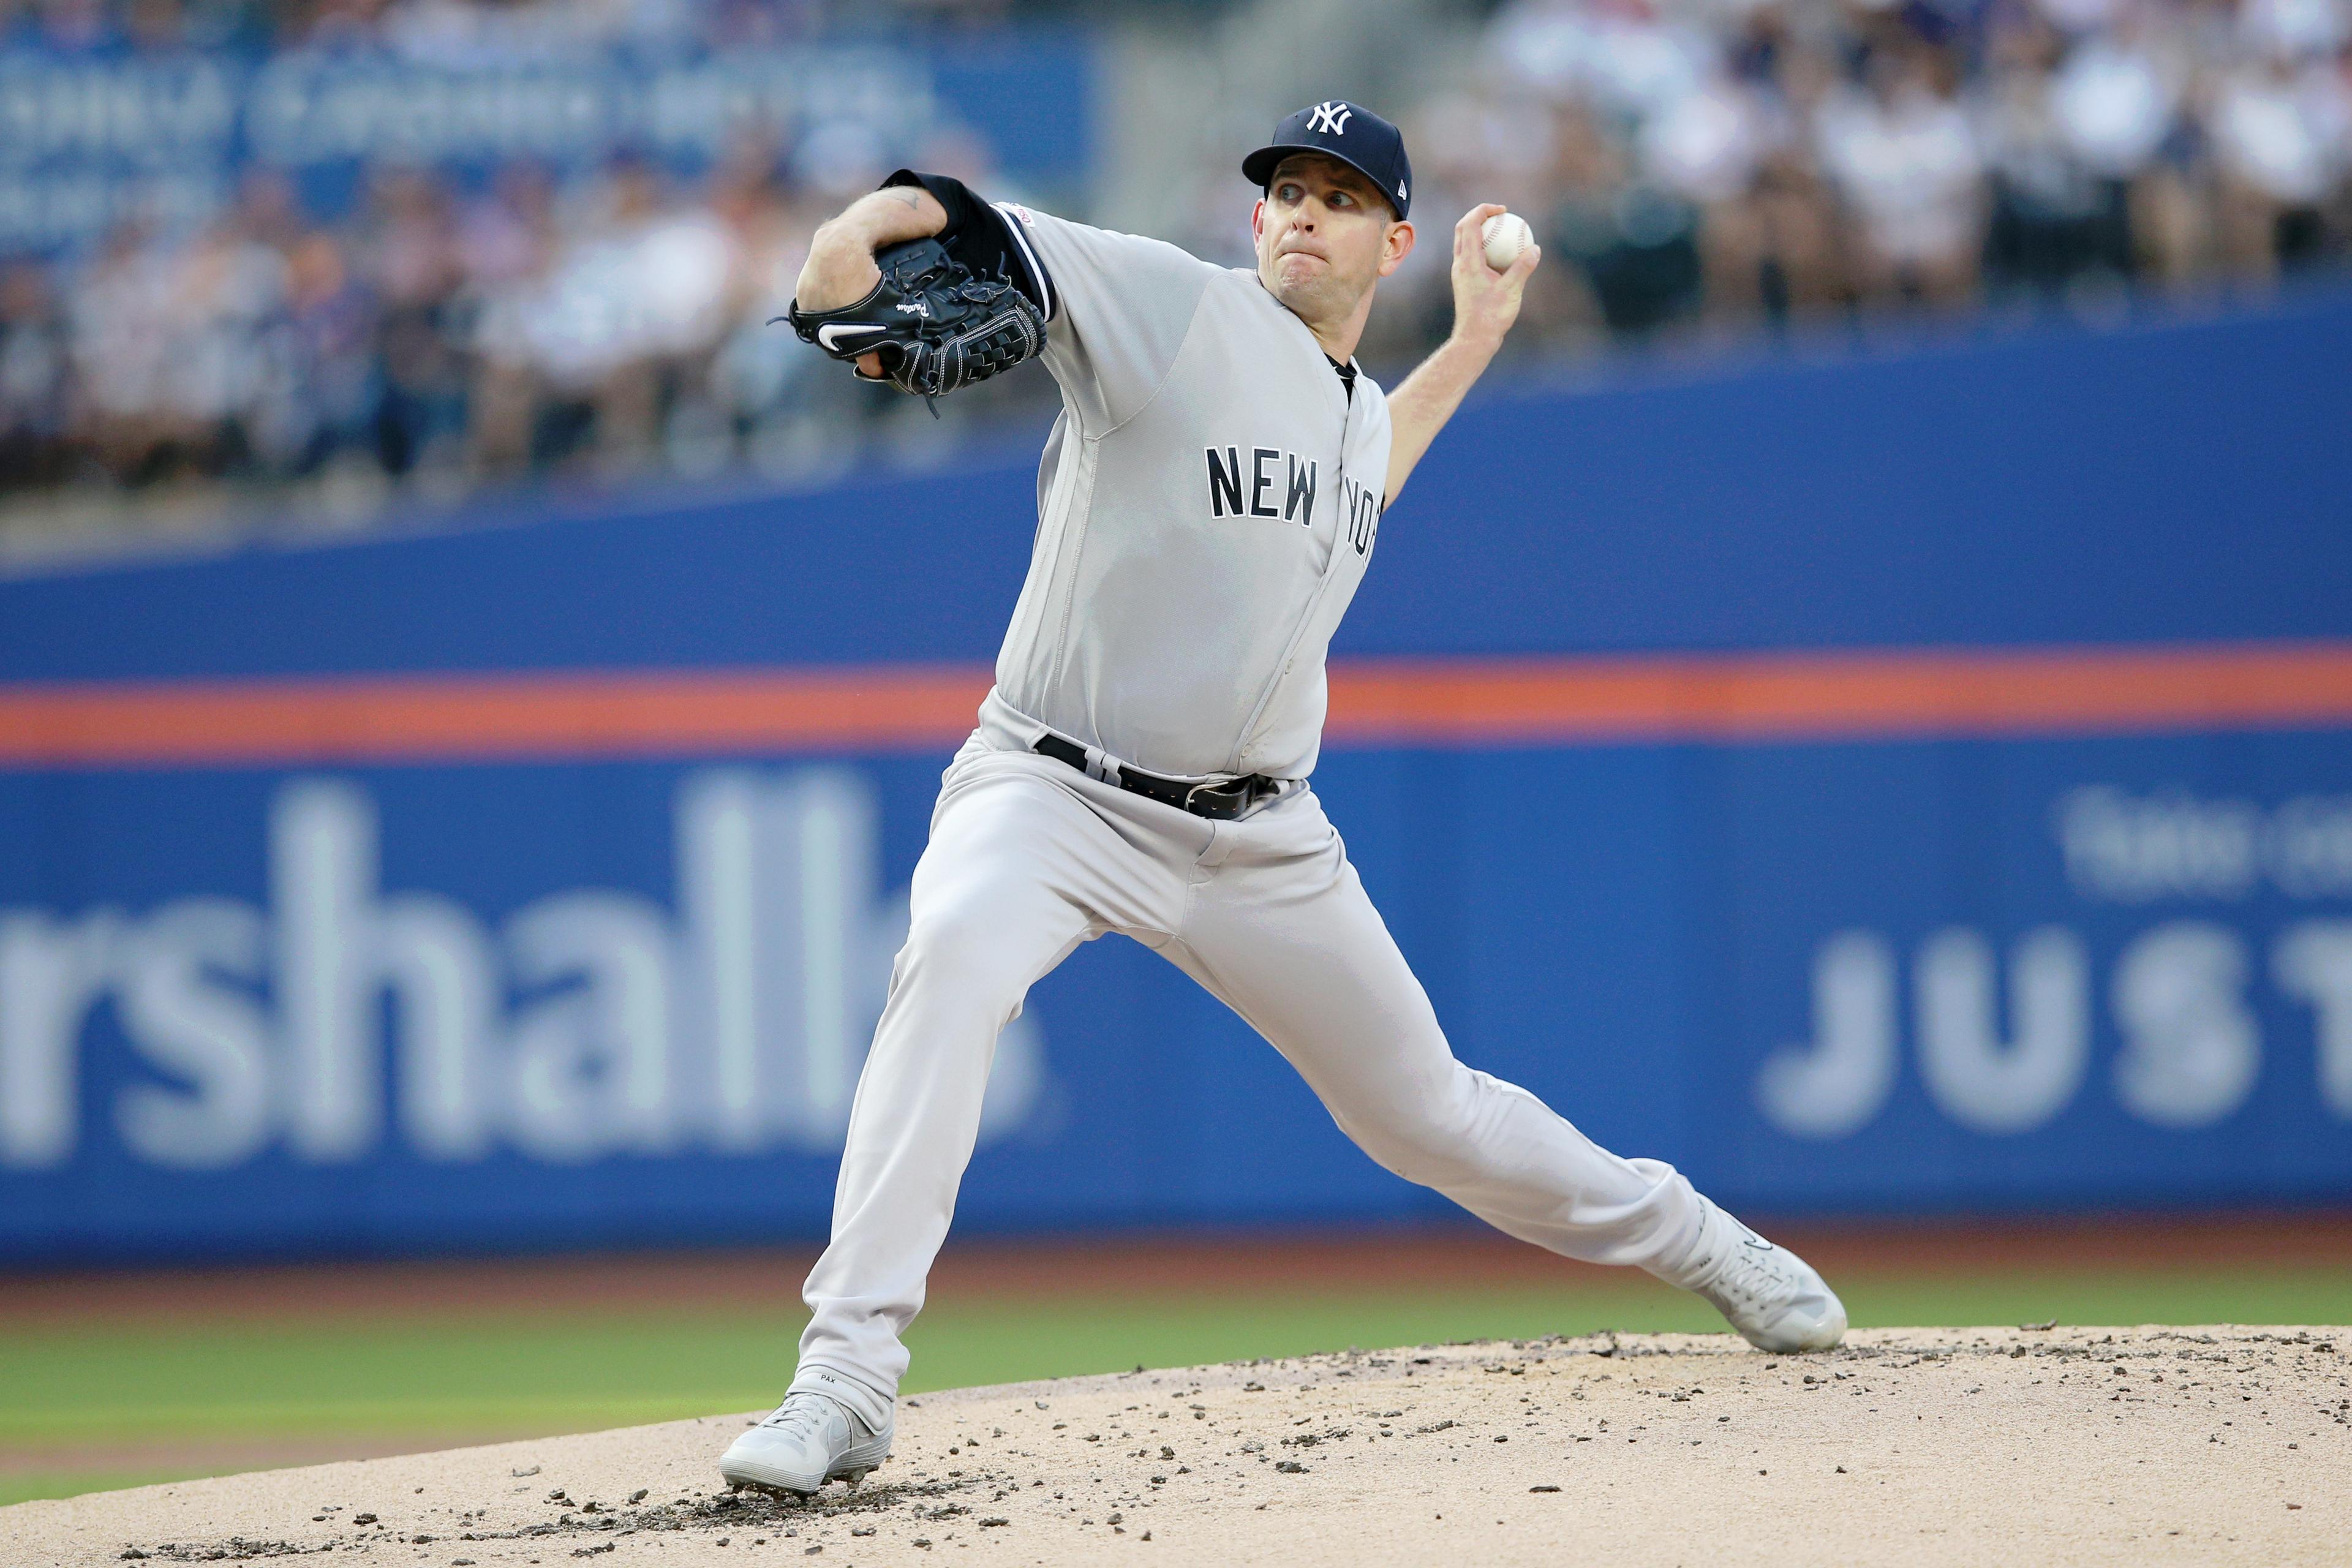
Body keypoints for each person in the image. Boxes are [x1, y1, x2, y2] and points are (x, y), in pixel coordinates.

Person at [720, 100, 1846, 1497]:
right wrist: (853, 234)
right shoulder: (1177, 308)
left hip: (1262, 840)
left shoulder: (1351, 411)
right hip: (1051, 790)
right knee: (950, 958)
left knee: (1427, 1115)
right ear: (1255, 220)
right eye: (1284, 190)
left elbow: (1373, 458)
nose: (1302, 210)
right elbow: (954, 217)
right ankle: (845, 1378)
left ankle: (1691, 1235)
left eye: (1339, 193)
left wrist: (1478, 341)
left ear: (1394, 239)